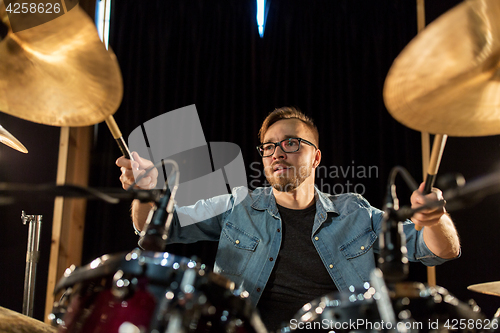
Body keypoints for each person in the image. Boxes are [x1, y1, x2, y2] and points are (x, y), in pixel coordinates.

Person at [116, 107, 460, 332]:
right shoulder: (237, 205)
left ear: (316, 158)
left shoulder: (356, 212)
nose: (278, 151)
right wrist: (145, 194)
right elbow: (157, 229)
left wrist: (434, 218)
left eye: (292, 143)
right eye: (269, 146)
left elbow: (439, 251)